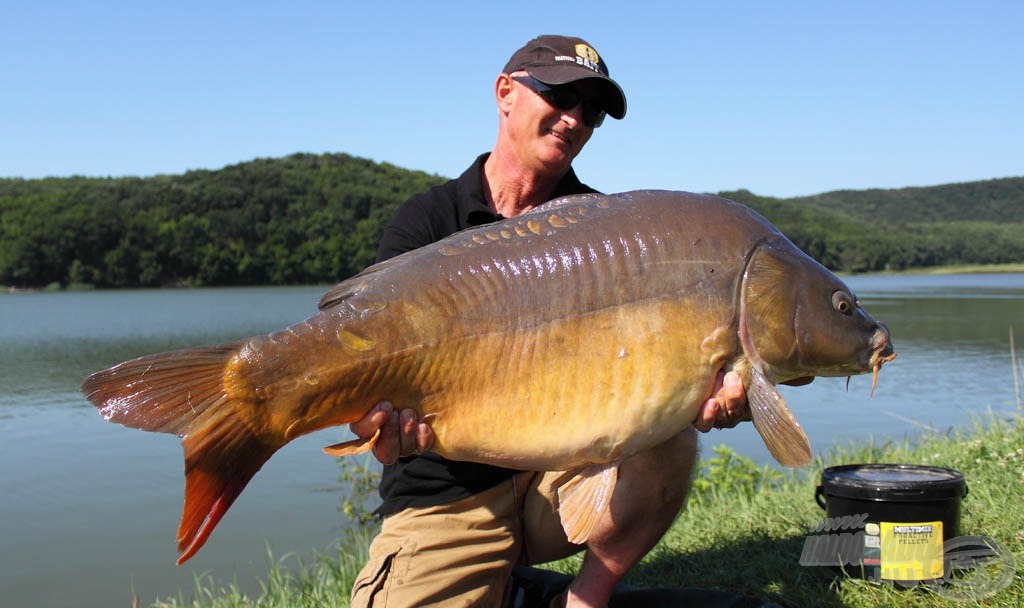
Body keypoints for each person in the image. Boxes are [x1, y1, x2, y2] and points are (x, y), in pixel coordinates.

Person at [348, 35, 751, 608]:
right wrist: (388, 431)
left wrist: (699, 388)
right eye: (560, 95)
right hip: (450, 494)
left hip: (565, 481)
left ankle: (585, 597)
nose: (574, 119)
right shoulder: (428, 221)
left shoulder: (607, 231)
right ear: (505, 93)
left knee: (668, 437)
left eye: (592, 112)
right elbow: (377, 402)